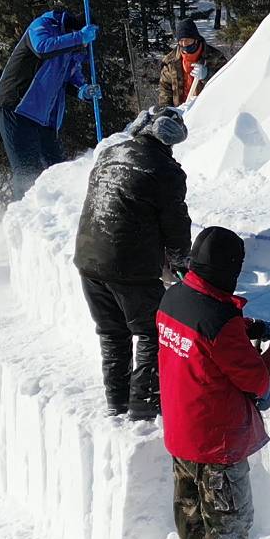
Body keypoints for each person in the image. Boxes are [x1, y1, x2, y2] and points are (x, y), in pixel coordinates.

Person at [156, 226, 270, 539]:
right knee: (229, 522)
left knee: (192, 509)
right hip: (217, 441)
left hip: (182, 430)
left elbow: (205, 336)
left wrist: (242, 327)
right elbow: (256, 381)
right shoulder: (220, 322)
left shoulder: (174, 297)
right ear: (231, 269)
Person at [74, 107, 191, 421]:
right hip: (129, 266)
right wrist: (183, 265)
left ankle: (117, 404)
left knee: (113, 333)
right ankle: (144, 409)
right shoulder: (165, 171)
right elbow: (176, 225)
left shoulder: (110, 153)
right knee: (153, 331)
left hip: (87, 260)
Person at [0, 6, 100, 199]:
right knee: (27, 170)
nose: (84, 47)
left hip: (44, 117)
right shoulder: (43, 25)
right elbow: (42, 48)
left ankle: (57, 218)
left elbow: (70, 78)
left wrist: (83, 90)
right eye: (84, 41)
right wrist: (78, 39)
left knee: (56, 170)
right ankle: (21, 218)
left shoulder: (72, 46)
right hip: (17, 106)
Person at [158, 19, 230, 107]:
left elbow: (227, 83)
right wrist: (167, 111)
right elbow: (165, 90)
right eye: (181, 41)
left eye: (187, 40)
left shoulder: (215, 57)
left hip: (208, 110)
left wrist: (207, 75)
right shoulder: (170, 62)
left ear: (196, 39)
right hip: (180, 114)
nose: (184, 44)